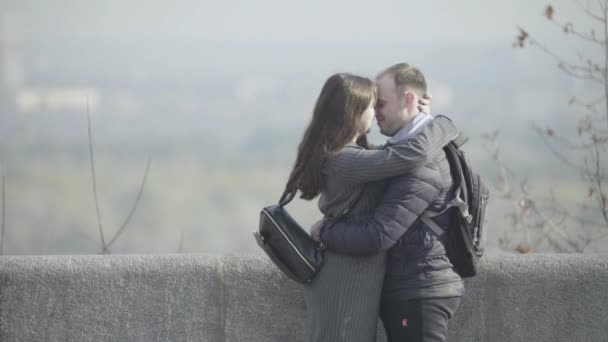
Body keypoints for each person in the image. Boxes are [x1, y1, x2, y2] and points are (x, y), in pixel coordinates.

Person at [284, 72, 459, 342]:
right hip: (345, 277)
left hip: (354, 274)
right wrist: (441, 124)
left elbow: (397, 152)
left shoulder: (352, 156)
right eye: (372, 105)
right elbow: (409, 155)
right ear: (353, 112)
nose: (376, 112)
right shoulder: (344, 160)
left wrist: (417, 119)